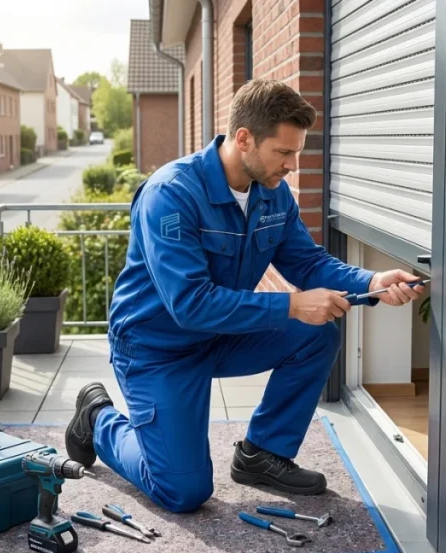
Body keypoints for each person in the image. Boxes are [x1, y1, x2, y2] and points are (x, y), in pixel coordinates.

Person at [63, 78, 425, 513]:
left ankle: (262, 454)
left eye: (297, 152)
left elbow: (307, 263)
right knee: (183, 492)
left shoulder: (273, 196)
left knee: (317, 333)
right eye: (284, 152)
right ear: (244, 138)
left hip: (219, 336)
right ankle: (98, 418)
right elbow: (190, 304)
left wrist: (372, 282)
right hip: (156, 347)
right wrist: (293, 304)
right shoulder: (171, 194)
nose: (292, 165)